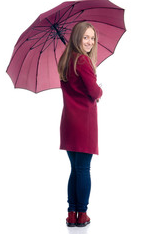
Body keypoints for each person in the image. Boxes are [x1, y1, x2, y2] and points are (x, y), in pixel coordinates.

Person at [58, 22, 103, 227]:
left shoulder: (65, 60)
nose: (90, 42)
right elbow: (93, 92)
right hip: (84, 124)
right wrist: (100, 89)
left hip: (69, 123)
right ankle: (82, 215)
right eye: (85, 37)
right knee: (83, 170)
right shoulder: (83, 61)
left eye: (92, 38)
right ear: (77, 38)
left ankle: (71, 214)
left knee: (75, 170)